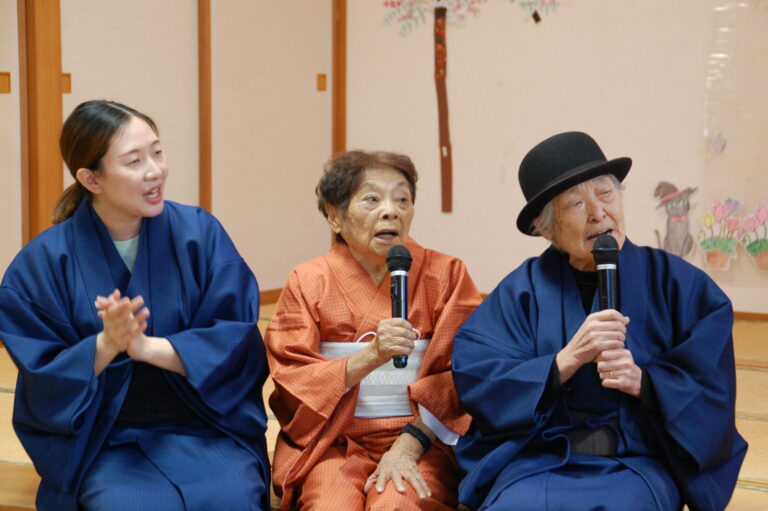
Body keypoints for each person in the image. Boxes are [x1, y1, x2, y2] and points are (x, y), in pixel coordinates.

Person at [452, 132, 747, 511]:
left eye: (605, 194)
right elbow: (478, 374)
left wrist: (646, 383)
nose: (598, 212)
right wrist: (562, 363)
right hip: (537, 462)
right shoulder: (520, 292)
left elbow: (712, 388)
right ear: (546, 229)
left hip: (635, 463)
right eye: (576, 203)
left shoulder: (680, 286)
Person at [0, 100, 270, 511]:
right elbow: (42, 378)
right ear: (91, 179)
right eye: (134, 161)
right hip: (102, 439)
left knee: (233, 497)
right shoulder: (43, 263)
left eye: (157, 152)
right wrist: (105, 346)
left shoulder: (200, 235)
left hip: (204, 427)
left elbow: (236, 339)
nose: (155, 170)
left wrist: (148, 349)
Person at [265, 150, 482, 510]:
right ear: (334, 216)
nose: (391, 210)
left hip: (421, 440)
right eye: (372, 199)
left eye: (402, 199)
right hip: (332, 441)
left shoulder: (447, 275)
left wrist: (410, 445)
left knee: (399, 505)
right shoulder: (309, 280)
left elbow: (465, 371)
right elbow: (292, 376)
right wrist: (372, 356)